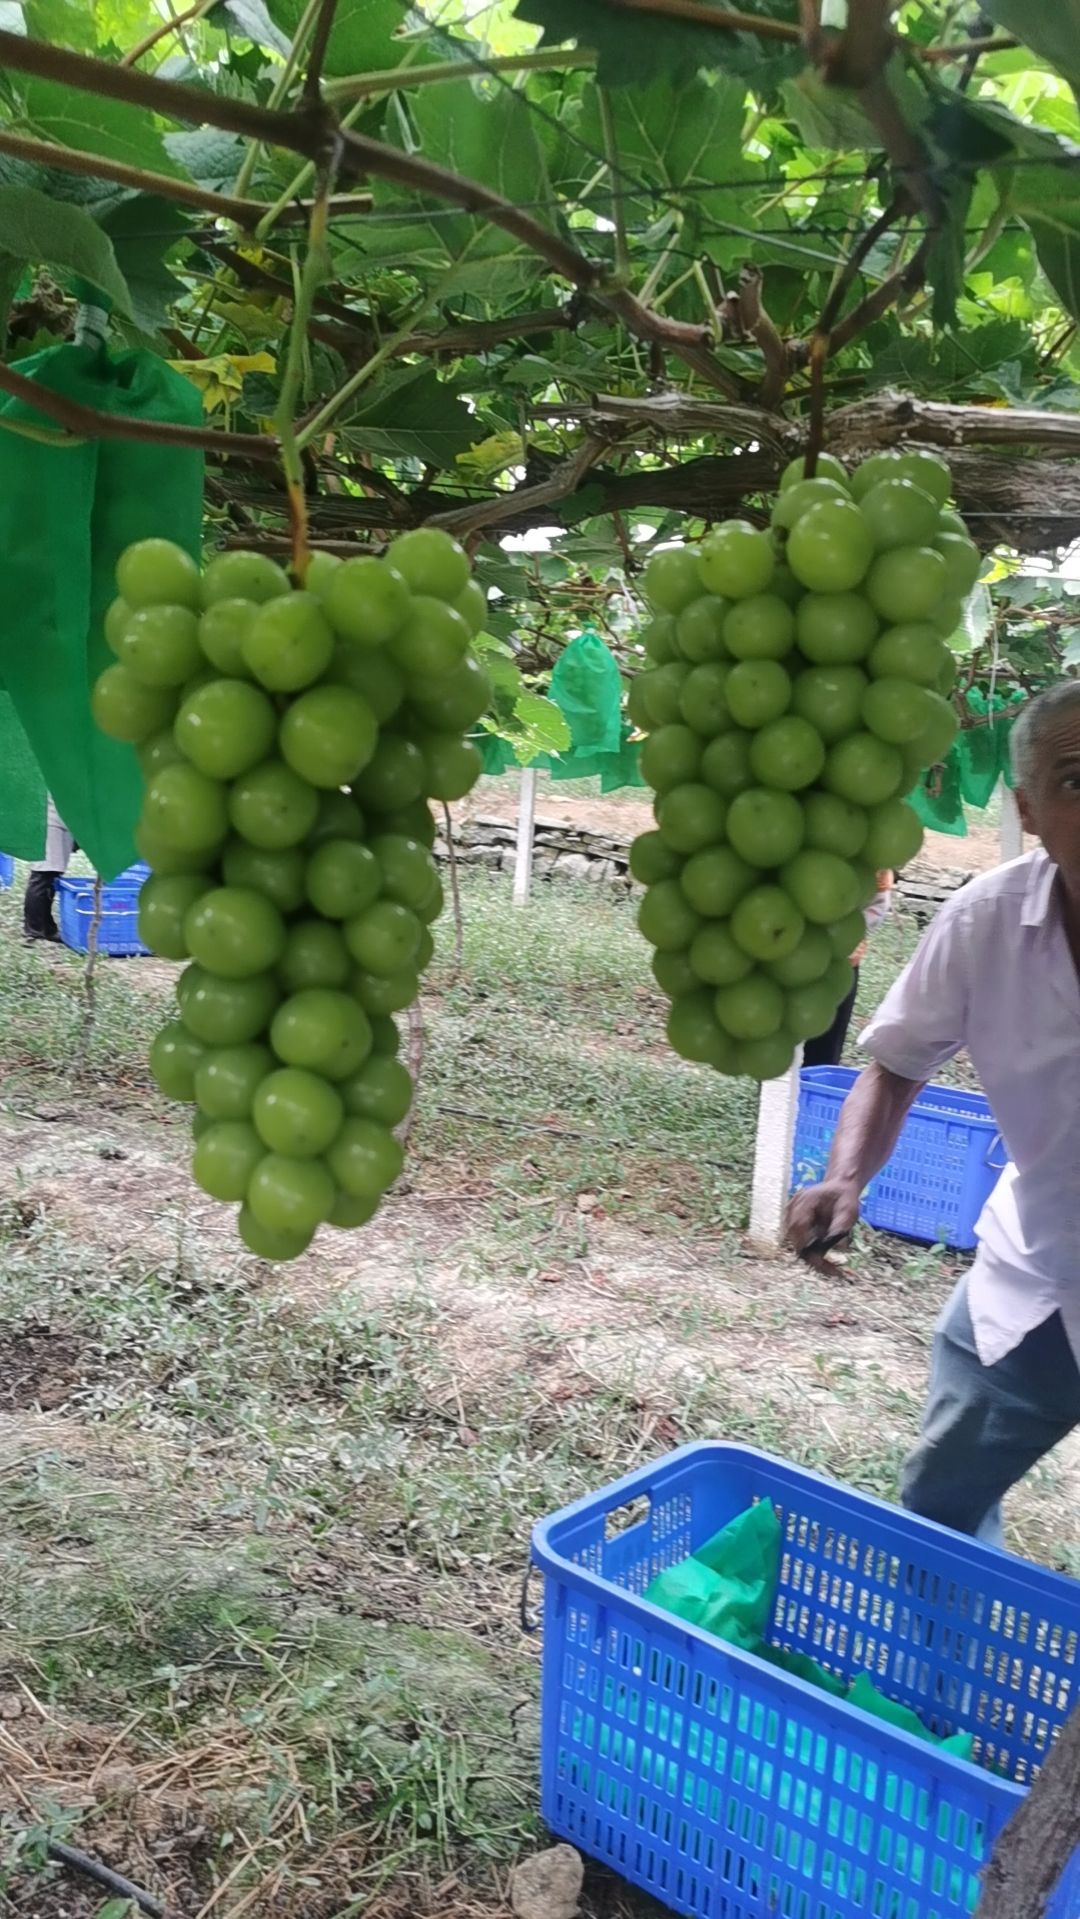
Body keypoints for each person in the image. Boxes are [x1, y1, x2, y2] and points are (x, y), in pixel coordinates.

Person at [786, 680, 1080, 1547]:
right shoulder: (987, 922)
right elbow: (896, 1066)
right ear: (1028, 809)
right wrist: (845, 1177)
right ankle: (938, 1670)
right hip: (1044, 1279)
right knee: (939, 1508)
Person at [802, 869, 894, 1068]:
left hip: (840, 962)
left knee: (822, 1049)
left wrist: (854, 935)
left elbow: (879, 901)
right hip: (790, 947)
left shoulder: (874, 865)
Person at [23, 796, 74, 943]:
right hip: (50, 823)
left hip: (57, 823)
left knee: (51, 876)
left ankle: (46, 927)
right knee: (42, 875)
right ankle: (34, 929)